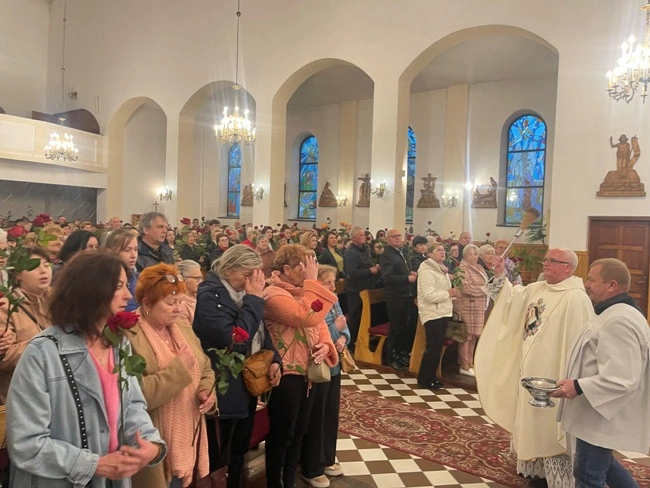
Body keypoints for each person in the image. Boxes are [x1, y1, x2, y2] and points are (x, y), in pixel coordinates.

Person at [6, 251, 166, 487]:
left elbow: (132, 405)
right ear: (91, 291)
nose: (128, 295)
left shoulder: (118, 343)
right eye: (118, 286)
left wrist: (150, 443)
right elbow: (26, 442)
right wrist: (92, 464)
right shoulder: (42, 353)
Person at [475, 248, 594, 488]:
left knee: (550, 425)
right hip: (530, 371)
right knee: (531, 420)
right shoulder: (537, 288)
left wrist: (571, 377)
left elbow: (579, 344)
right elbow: (509, 299)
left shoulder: (575, 297)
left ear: (568, 267)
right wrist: (500, 274)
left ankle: (558, 479)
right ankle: (537, 470)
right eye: (546, 259)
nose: (545, 263)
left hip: (555, 371)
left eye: (552, 261)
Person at [553, 258, 650, 488]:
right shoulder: (614, 312)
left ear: (612, 285)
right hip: (597, 408)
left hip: (601, 411)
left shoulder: (619, 321)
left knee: (588, 473)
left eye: (592, 280)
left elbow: (621, 378)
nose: (587, 284)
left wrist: (576, 386)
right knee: (605, 466)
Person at [193, 245, 281, 488]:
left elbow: (261, 332)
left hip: (246, 382)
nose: (252, 281)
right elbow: (234, 339)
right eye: (247, 275)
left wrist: (274, 359)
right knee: (221, 451)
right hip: (223, 385)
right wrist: (254, 299)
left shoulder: (245, 295)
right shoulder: (210, 296)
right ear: (229, 269)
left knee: (240, 446)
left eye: (256, 275)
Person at [129, 263, 216, 487]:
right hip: (154, 438)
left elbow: (205, 366)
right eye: (170, 303)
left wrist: (207, 390)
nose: (178, 309)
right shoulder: (129, 335)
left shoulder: (182, 327)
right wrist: (179, 369)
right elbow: (137, 394)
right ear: (147, 303)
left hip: (187, 436)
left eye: (179, 301)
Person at [262, 245, 338, 488]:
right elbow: (303, 317)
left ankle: (289, 482)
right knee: (282, 434)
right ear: (286, 269)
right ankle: (275, 483)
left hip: (307, 373)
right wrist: (313, 282)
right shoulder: (273, 294)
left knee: (299, 432)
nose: (309, 272)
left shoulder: (302, 292)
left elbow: (320, 324)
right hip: (286, 373)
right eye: (305, 267)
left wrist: (326, 345)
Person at [300, 265, 350, 487]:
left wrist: (343, 338)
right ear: (317, 282)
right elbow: (313, 333)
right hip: (319, 366)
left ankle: (328, 458)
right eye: (328, 282)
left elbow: (344, 324)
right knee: (317, 417)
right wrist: (336, 330)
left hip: (335, 364)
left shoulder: (333, 300)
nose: (333, 286)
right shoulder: (312, 301)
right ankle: (313, 466)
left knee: (331, 414)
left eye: (333, 281)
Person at [0, 247, 52, 403]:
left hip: (53, 392)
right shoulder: (5, 307)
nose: (43, 271)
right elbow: (5, 358)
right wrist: (47, 342)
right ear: (18, 274)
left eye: (46, 265)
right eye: (34, 266)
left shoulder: (56, 300)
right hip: (22, 396)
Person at [416, 244, 461, 391]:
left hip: (442, 311)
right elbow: (429, 295)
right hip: (432, 312)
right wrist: (448, 293)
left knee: (437, 347)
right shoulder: (427, 271)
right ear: (430, 254)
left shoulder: (441, 269)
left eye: (443, 250)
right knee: (432, 347)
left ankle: (432, 377)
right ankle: (424, 379)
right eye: (438, 250)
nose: (442, 252)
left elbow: (443, 291)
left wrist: (453, 294)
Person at [379, 229, 417, 370]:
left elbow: (401, 270)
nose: (398, 238)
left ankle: (401, 354)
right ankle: (392, 358)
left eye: (399, 235)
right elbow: (388, 278)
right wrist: (407, 278)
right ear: (388, 239)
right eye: (394, 236)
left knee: (404, 327)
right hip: (395, 296)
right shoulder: (386, 255)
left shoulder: (402, 251)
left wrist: (410, 273)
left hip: (405, 294)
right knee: (396, 327)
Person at [452, 244, 488, 376]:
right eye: (470, 254)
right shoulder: (462, 269)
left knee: (474, 336)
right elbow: (465, 288)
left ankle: (471, 362)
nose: (473, 256)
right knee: (466, 336)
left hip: (478, 306)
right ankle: (464, 365)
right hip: (467, 306)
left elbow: (487, 284)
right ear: (464, 256)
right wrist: (484, 290)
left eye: (475, 254)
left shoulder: (479, 267)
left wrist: (487, 289)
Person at [343, 226, 380, 353]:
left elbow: (367, 264)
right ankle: (350, 344)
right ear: (353, 238)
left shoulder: (365, 249)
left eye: (364, 235)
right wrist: (370, 270)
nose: (364, 237)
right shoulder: (350, 253)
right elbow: (352, 273)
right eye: (361, 235)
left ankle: (363, 341)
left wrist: (375, 267)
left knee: (366, 316)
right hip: (355, 290)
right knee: (355, 317)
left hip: (367, 287)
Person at [104, 228, 140, 312]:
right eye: (127, 250)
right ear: (110, 252)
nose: (133, 255)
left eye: (135, 249)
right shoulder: (103, 282)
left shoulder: (140, 279)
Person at [177, 259, 203, 326]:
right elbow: (186, 332)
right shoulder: (180, 306)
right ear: (182, 278)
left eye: (201, 278)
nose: (201, 282)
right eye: (197, 278)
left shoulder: (201, 297)